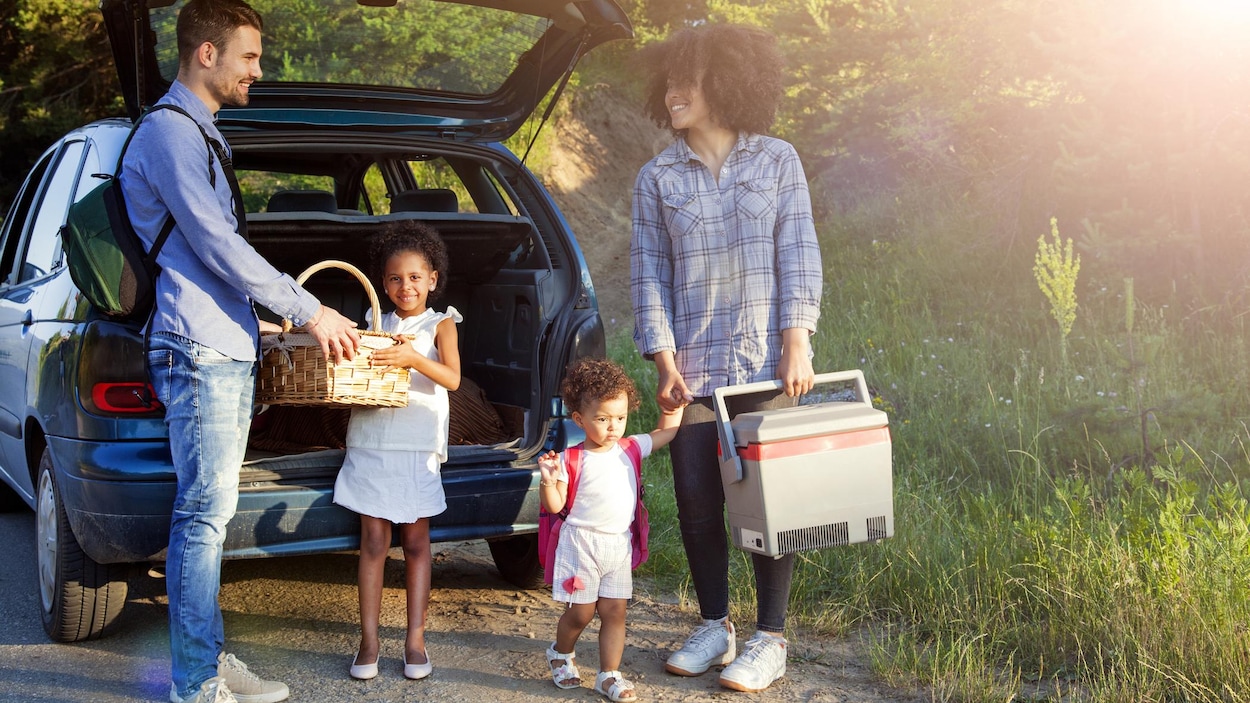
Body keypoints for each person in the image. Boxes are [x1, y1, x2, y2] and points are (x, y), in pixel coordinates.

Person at [121, 1, 362, 702]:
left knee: (211, 512)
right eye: (249, 57)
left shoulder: (198, 133)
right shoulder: (170, 134)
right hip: (195, 345)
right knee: (202, 514)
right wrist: (307, 307)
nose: (259, 70)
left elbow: (202, 257)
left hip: (217, 337)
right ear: (206, 54)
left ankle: (209, 661)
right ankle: (195, 682)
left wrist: (256, 322)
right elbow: (213, 242)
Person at [630, 23, 823, 694]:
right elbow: (648, 273)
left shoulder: (777, 161)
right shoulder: (657, 177)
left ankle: (771, 636)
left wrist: (797, 339)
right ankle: (716, 624)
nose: (674, 91)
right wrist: (662, 359)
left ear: (727, 80)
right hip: (695, 375)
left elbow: (799, 251)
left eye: (690, 78)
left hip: (766, 364)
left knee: (769, 505)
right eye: (670, 79)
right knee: (695, 501)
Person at [332, 221, 461, 682]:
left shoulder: (441, 322)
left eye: (413, 277)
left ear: (432, 279)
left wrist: (412, 358)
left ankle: (415, 640)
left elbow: (451, 379)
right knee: (372, 543)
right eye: (393, 278)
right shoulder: (375, 322)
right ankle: (368, 641)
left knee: (416, 542)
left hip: (415, 445)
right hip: (371, 443)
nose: (404, 286)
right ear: (381, 284)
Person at [537, 358, 682, 703]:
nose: (613, 426)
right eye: (602, 419)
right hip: (581, 545)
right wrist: (547, 480)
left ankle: (608, 674)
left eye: (620, 418)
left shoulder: (631, 447)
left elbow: (667, 432)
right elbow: (556, 505)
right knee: (582, 612)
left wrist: (673, 405)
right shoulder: (571, 459)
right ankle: (561, 652)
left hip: (618, 545)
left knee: (615, 611)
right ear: (580, 420)